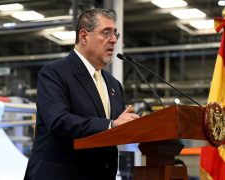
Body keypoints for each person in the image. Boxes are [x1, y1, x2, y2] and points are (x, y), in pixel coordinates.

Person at [24, 8, 140, 180]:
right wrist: (111, 125)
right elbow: (59, 121)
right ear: (84, 36)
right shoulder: (54, 73)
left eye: (116, 33)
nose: (114, 40)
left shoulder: (113, 84)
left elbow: (115, 128)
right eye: (106, 32)